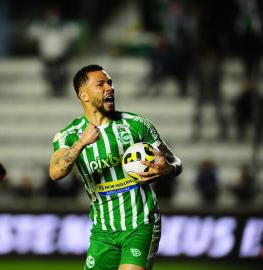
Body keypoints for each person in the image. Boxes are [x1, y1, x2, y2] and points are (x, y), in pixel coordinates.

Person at [49, 64, 182, 270]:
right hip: (103, 231)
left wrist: (168, 169)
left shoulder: (137, 125)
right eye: (101, 84)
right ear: (83, 96)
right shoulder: (69, 135)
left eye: (110, 83)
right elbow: (56, 172)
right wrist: (81, 144)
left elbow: (175, 162)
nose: (109, 88)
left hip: (141, 224)